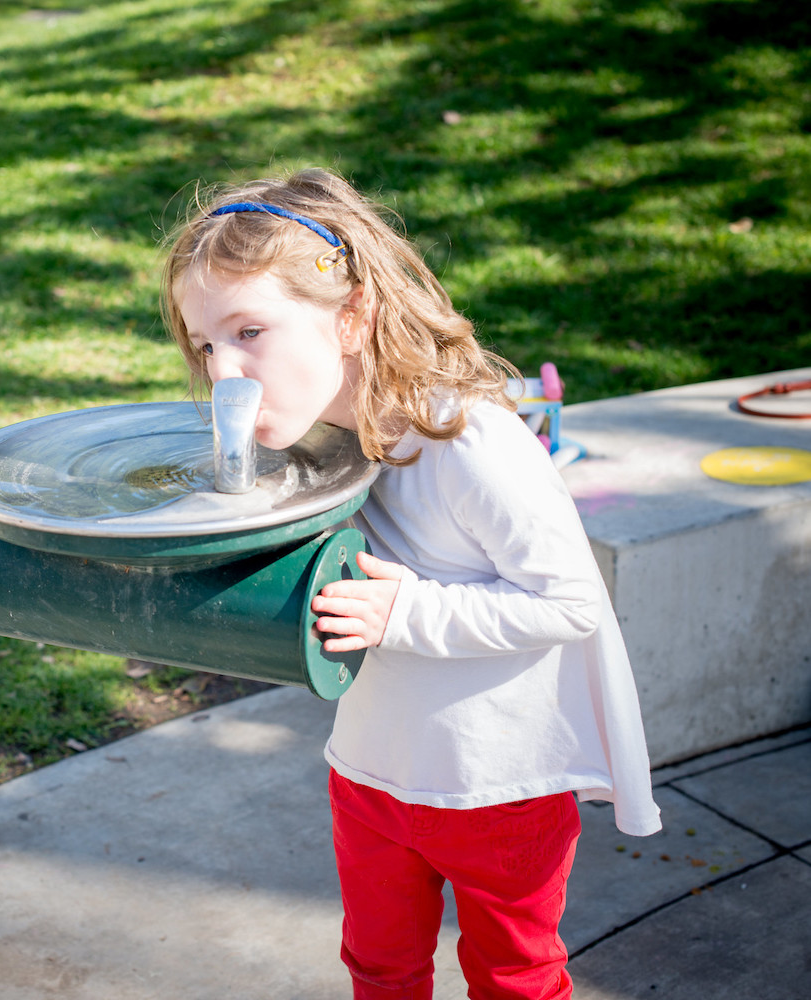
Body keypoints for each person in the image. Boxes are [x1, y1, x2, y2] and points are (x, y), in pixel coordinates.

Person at [161, 167, 661, 1000]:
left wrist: (407, 611)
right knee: (380, 967)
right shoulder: (322, 444)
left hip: (497, 787)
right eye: (207, 343)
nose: (224, 371)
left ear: (351, 316)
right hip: (369, 774)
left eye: (251, 330)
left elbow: (571, 601)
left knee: (513, 975)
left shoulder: (468, 441)